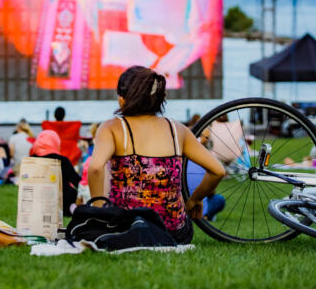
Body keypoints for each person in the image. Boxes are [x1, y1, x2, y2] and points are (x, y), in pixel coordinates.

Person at [87, 66, 225, 245]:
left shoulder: (111, 127)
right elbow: (218, 171)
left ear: (122, 100)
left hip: (125, 229)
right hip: (174, 234)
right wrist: (195, 199)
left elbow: (96, 167)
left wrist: (99, 213)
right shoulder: (178, 130)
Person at [30, 130, 81, 216]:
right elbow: (77, 182)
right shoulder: (62, 160)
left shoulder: (30, 161)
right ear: (55, 142)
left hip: (36, 204)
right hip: (63, 204)